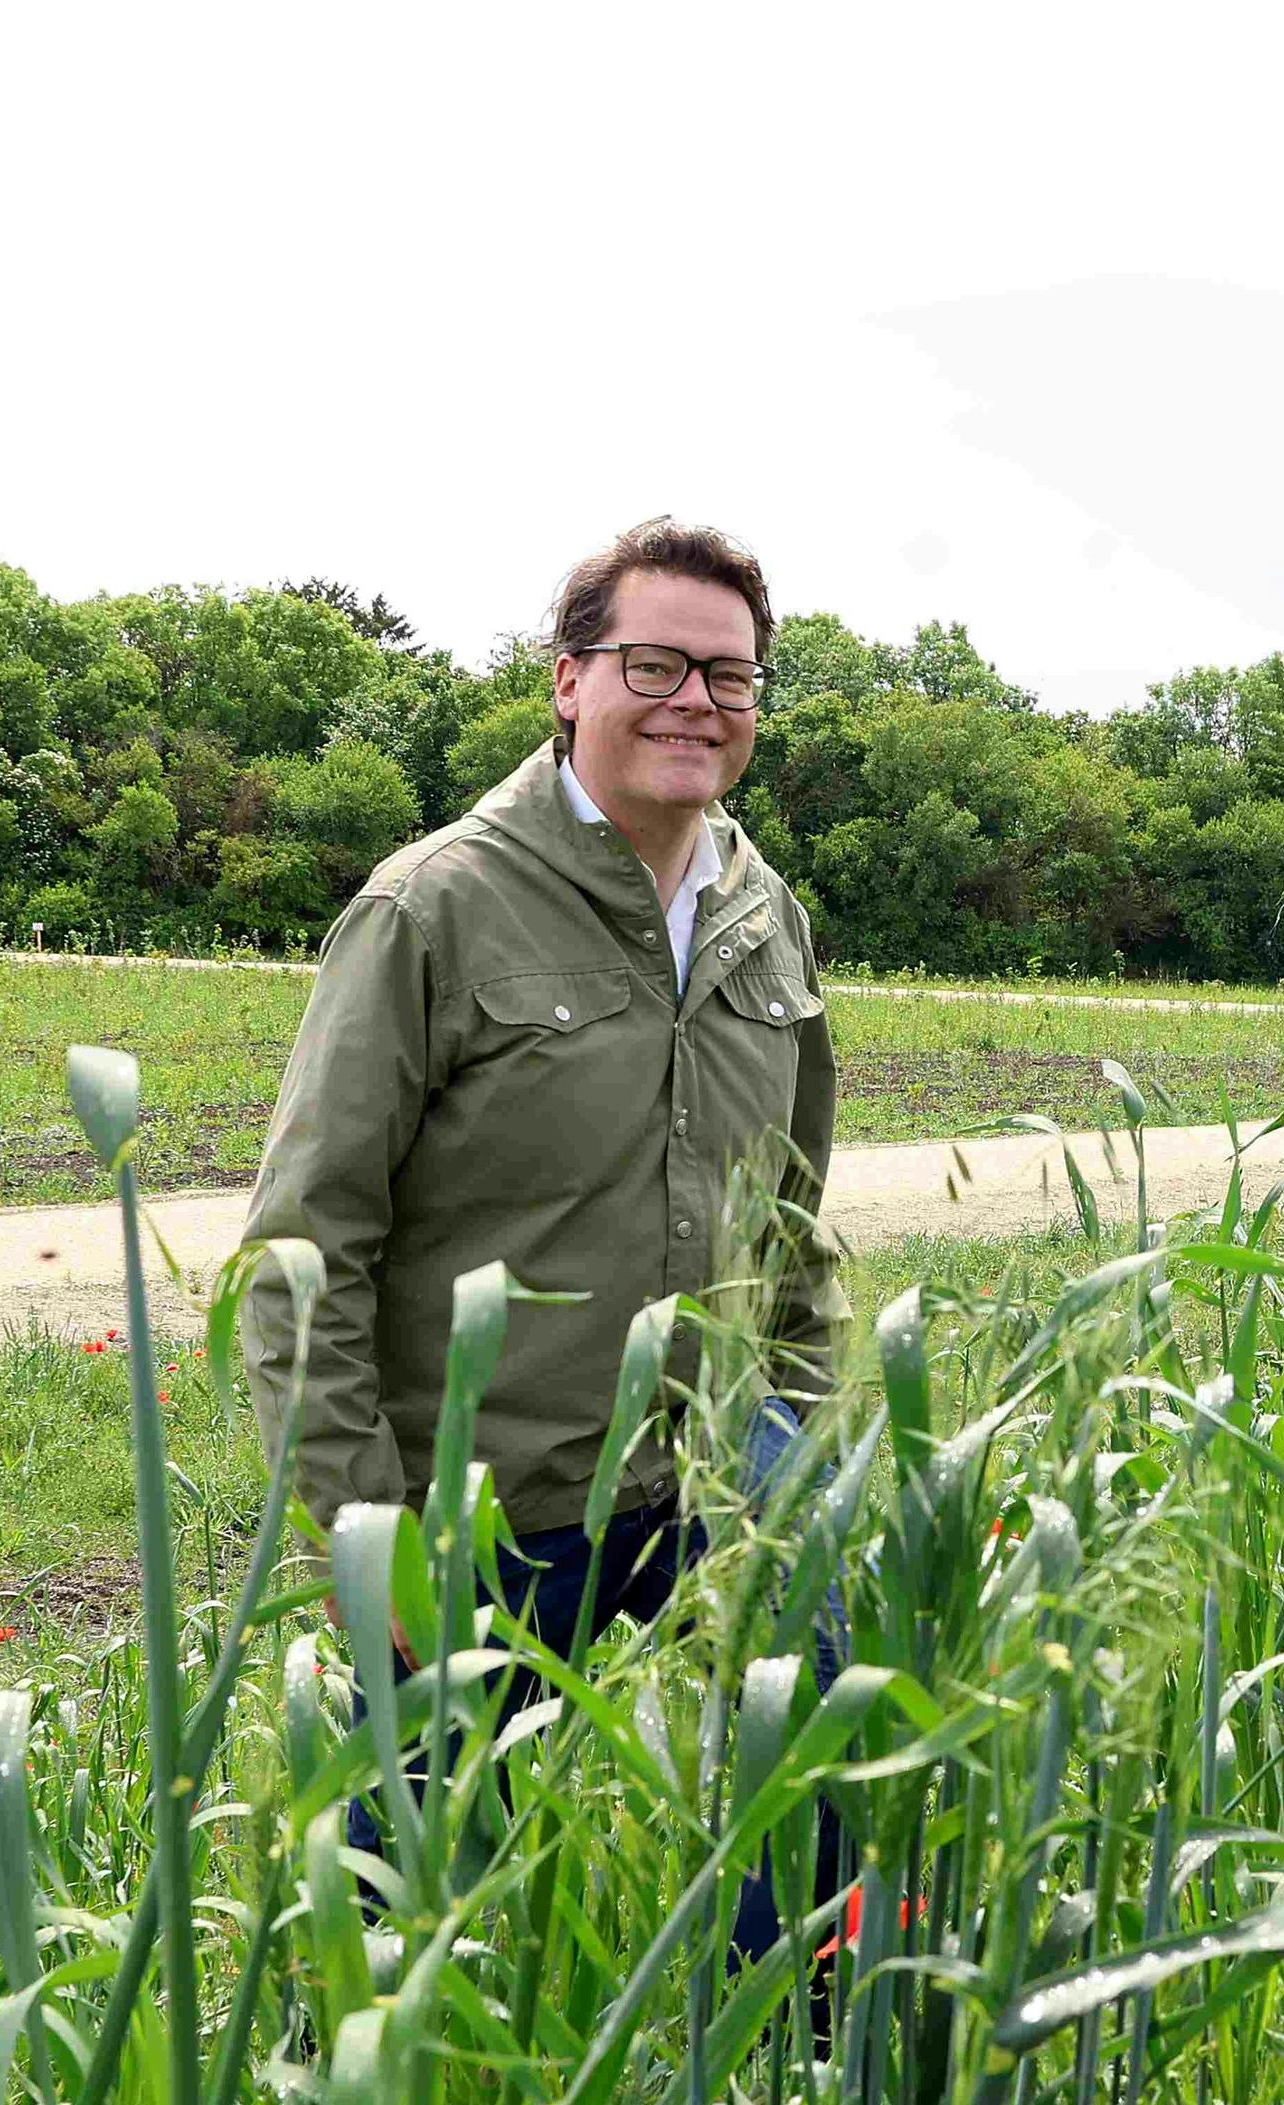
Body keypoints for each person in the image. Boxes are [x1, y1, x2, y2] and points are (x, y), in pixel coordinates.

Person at [235, 516, 845, 1921]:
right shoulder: (434, 908)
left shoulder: (768, 919)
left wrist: (804, 1459)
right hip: (480, 1520)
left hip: (712, 1500)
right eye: (656, 663)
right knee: (405, 1922)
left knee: (807, 1854)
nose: (697, 699)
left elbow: (793, 1231)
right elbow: (301, 1252)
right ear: (567, 680)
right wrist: (359, 1525)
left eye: (731, 677)